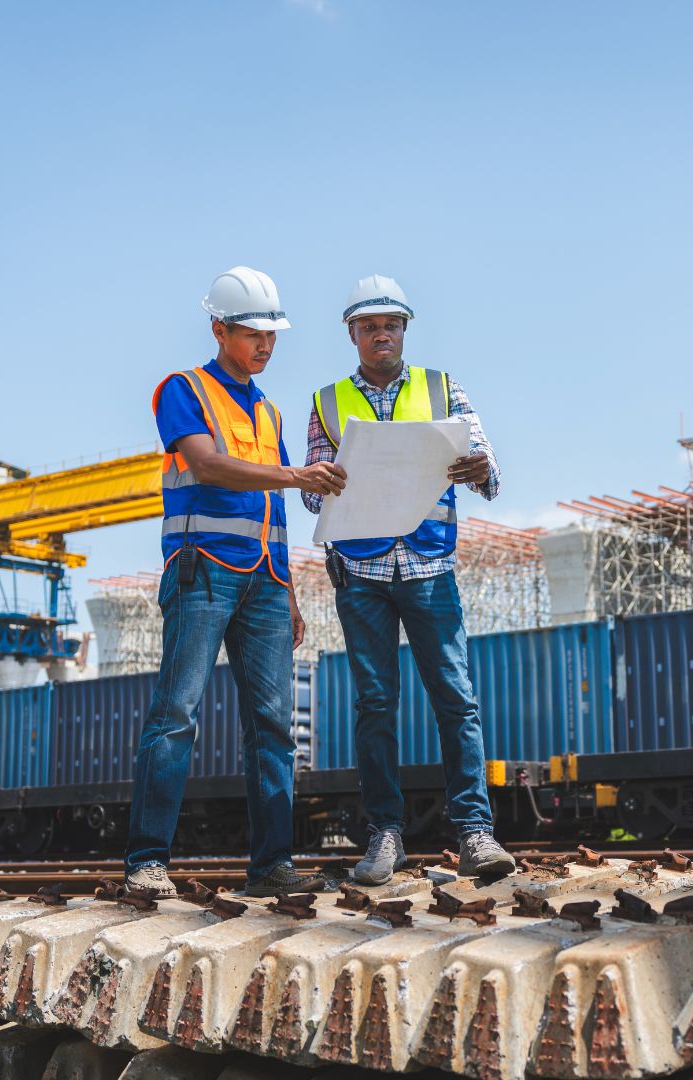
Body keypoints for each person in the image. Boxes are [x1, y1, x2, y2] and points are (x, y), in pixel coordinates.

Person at [125, 266, 346, 898]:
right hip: (203, 572)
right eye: (254, 334)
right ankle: (146, 863)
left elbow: (271, 515)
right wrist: (299, 476)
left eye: (273, 335)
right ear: (219, 329)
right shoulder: (183, 389)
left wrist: (291, 591)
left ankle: (272, 865)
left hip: (266, 583)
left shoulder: (269, 410)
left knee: (274, 727)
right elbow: (209, 467)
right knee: (176, 715)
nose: (267, 346)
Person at [303, 274, 516, 883]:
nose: (382, 335)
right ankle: (385, 836)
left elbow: (490, 472)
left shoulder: (442, 389)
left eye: (391, 324)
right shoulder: (326, 402)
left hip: (429, 566)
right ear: (353, 335)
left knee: (456, 699)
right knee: (376, 705)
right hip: (362, 571)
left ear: (405, 330)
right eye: (370, 327)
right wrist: (325, 480)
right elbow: (313, 500)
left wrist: (477, 467)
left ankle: (475, 833)